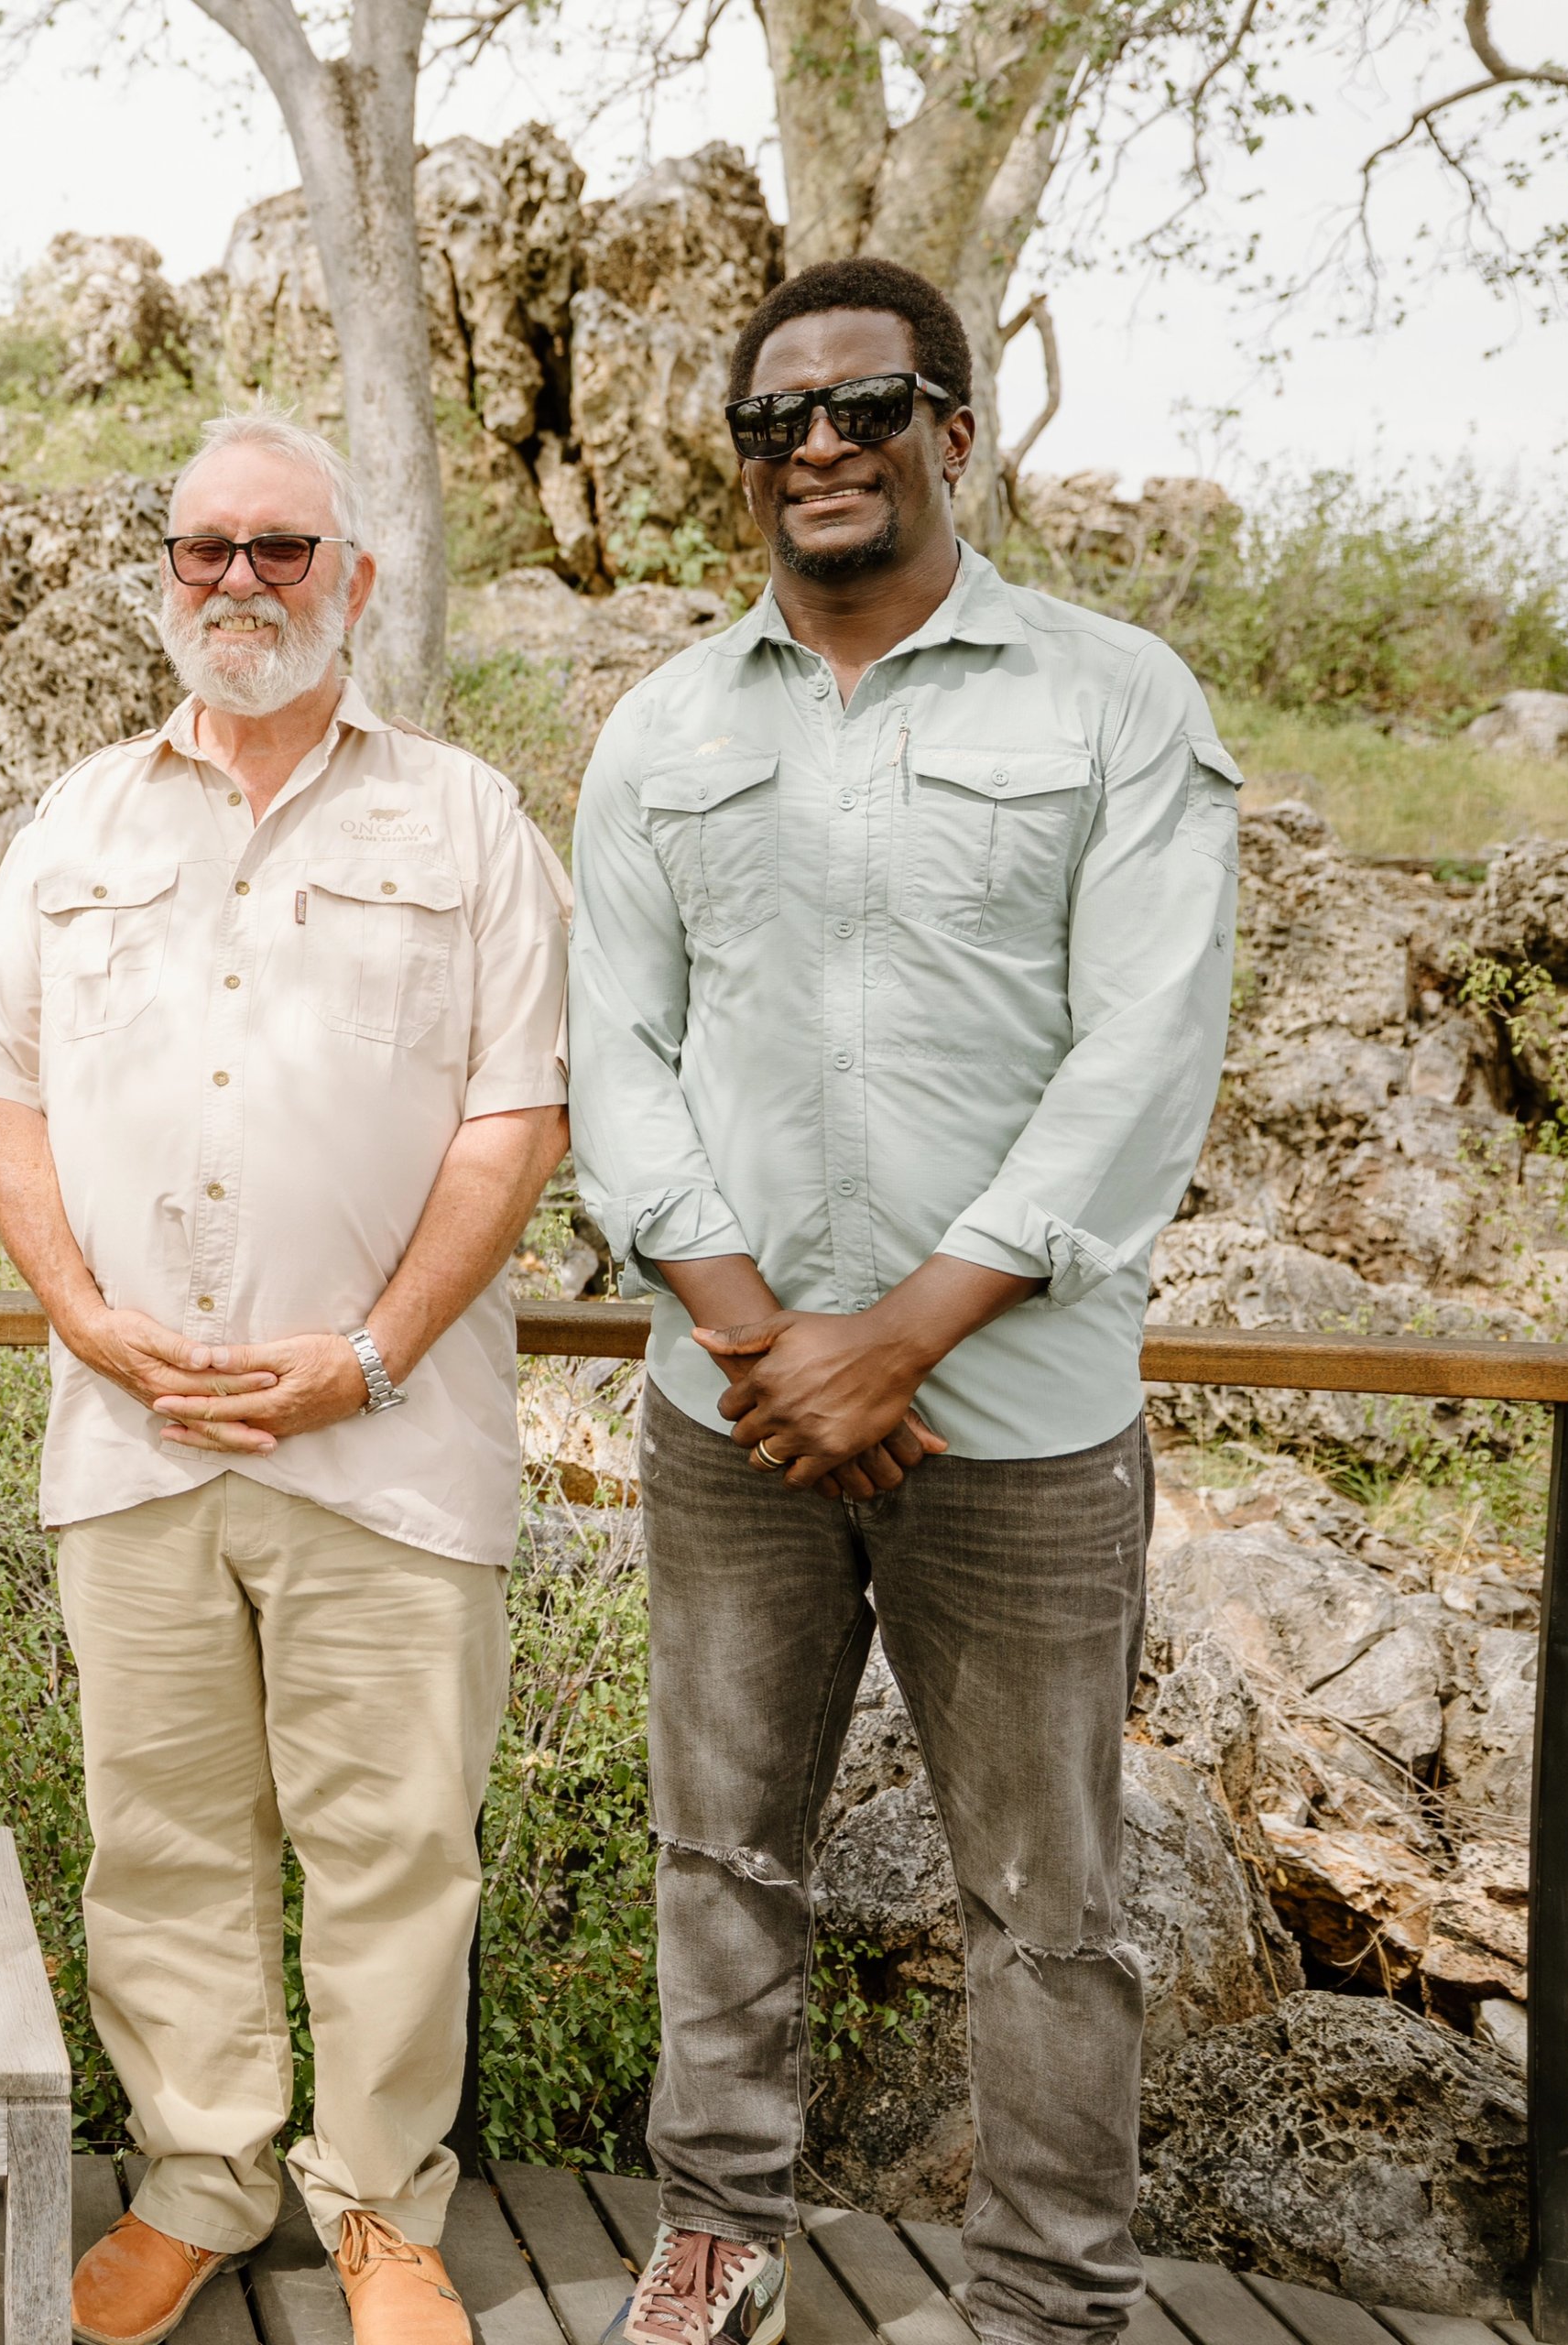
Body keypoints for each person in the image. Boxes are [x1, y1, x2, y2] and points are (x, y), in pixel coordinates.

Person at [569, 256, 1241, 2345]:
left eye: (871, 406)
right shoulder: (662, 727)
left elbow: (1145, 1050)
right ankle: (718, 2246)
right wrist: (772, 1337)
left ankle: (1045, 2300)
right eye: (780, 423)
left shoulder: (1118, 699)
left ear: (959, 428)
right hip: (735, 1417)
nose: (824, 447)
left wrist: (906, 1329)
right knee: (719, 1854)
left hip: (1018, 1421)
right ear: (744, 467)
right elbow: (617, 1052)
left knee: (1053, 1902)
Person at [0, 413, 573, 2345]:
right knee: (165, 1836)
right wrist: (81, 1311)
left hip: (387, 1442)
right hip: (133, 1438)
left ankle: (384, 2213)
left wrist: (364, 1352)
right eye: (204, 547)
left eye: (281, 549)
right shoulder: (76, 823)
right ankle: (202, 2173)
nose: (239, 581)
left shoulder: (465, 820)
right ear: (164, 579)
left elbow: (513, 1117)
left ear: (354, 581)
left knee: (393, 1844)